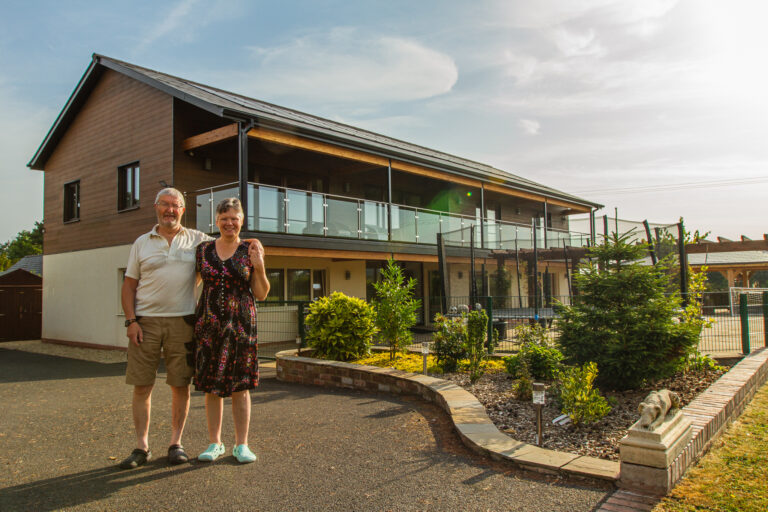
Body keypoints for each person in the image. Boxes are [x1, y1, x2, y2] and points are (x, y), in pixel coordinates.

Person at [119, 187, 212, 469]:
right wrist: (131, 321)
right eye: (165, 204)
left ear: (183, 210)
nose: (171, 210)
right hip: (144, 323)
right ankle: (141, 447)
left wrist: (253, 243)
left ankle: (175, 443)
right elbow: (129, 286)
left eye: (176, 205)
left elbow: (228, 243)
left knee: (180, 385)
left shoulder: (198, 240)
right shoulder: (141, 243)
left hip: (183, 321)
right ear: (156, 207)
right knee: (141, 385)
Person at [194, 197, 269, 464]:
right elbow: (193, 285)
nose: (229, 223)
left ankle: (241, 445)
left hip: (241, 326)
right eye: (224, 218)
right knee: (211, 387)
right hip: (209, 326)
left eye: (234, 218)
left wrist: (259, 266)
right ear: (216, 221)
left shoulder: (250, 249)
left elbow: (261, 293)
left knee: (240, 386)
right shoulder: (202, 250)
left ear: (242, 221)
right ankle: (215, 443)